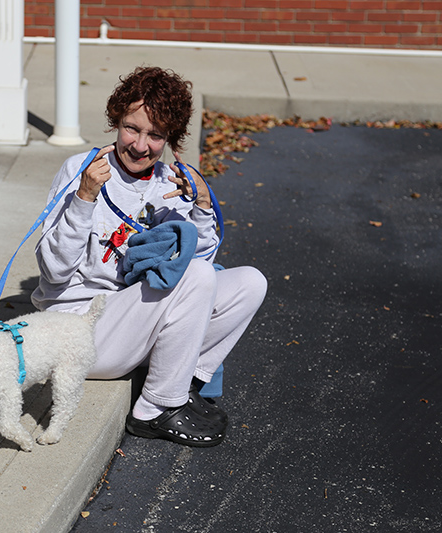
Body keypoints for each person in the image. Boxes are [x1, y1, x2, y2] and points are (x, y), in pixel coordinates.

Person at [32, 66, 267, 447]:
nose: (140, 146)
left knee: (249, 283)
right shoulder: (82, 170)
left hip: (131, 323)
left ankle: (181, 381)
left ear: (170, 139)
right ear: (116, 120)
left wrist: (202, 206)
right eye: (132, 128)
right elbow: (55, 272)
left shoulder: (167, 185)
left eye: (155, 135)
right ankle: (155, 408)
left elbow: (201, 269)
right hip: (77, 332)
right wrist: (84, 199)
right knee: (195, 278)